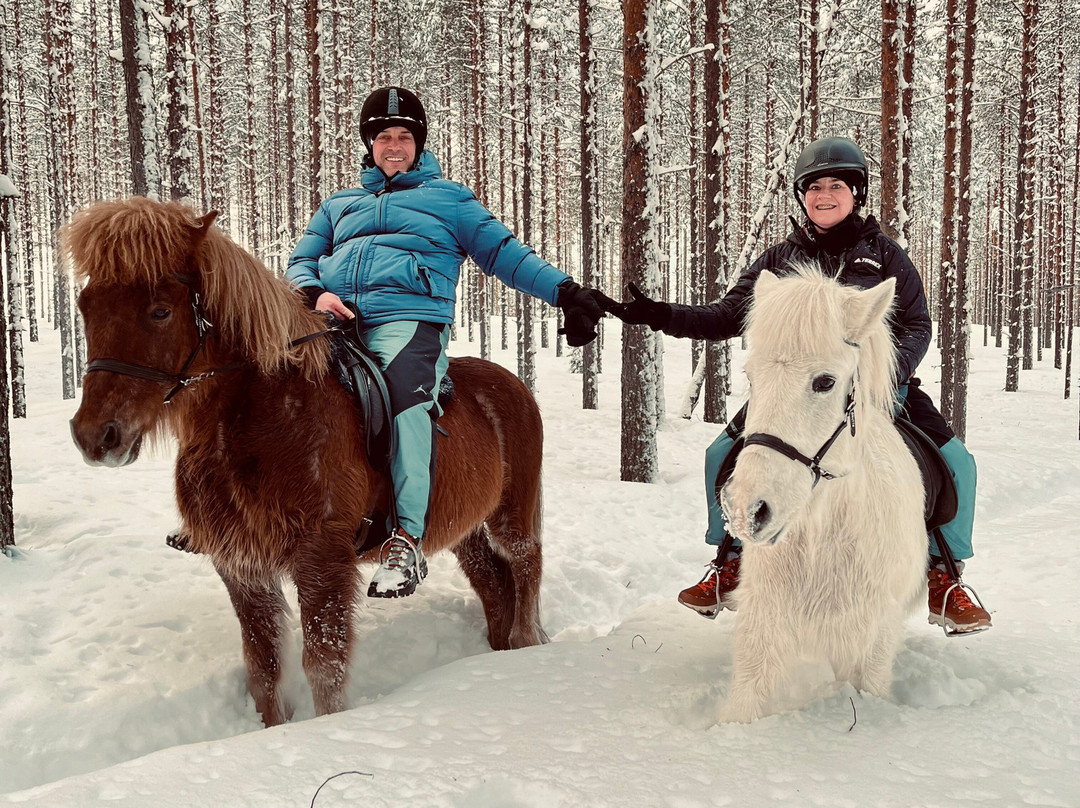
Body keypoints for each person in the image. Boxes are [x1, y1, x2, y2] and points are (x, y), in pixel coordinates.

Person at [607, 135, 992, 634]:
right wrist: (659, 315)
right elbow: (728, 314)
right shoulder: (779, 258)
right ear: (802, 196)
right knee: (717, 455)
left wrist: (886, 376)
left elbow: (917, 323)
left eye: (837, 185)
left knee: (957, 462)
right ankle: (730, 557)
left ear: (857, 193)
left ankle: (944, 576)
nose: (824, 195)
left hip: (879, 386)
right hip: (793, 392)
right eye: (814, 186)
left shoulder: (886, 256)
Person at [288, 86, 607, 599]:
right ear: (369, 144)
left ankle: (405, 539)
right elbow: (301, 260)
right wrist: (313, 292)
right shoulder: (338, 206)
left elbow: (505, 253)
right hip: (334, 322)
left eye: (404, 137)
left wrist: (565, 291)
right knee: (264, 382)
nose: (394, 146)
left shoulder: (449, 199)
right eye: (384, 137)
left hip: (408, 322)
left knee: (401, 400)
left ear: (419, 143)